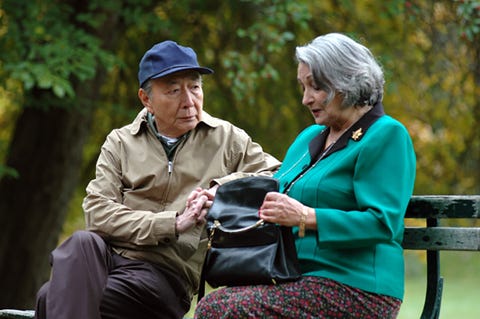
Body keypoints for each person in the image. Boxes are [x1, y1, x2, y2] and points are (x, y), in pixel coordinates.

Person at [34, 40, 280, 319]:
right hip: (106, 259)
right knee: (81, 241)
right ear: (146, 99)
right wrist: (172, 223)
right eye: (174, 90)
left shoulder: (227, 139)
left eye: (195, 87)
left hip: (164, 275)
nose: (189, 101)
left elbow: (275, 176)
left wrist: (219, 189)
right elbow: (97, 213)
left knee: (49, 297)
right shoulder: (120, 142)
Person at [195, 33, 416, 318]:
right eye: (303, 87)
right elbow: (279, 192)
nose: (305, 98)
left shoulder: (386, 135)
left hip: (358, 286)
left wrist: (306, 217)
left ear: (346, 80)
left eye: (315, 87)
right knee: (216, 303)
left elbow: (382, 222)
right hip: (295, 276)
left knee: (219, 310)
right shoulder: (309, 137)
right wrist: (223, 200)